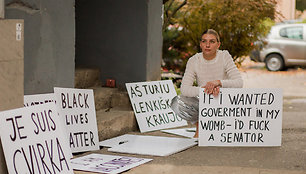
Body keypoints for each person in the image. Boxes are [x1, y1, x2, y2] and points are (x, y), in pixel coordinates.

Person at [171, 29, 243, 138]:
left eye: (212, 41)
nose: (207, 45)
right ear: (200, 44)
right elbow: (184, 89)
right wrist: (206, 89)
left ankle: (220, 127)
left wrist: (218, 83)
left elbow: (239, 83)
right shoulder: (194, 60)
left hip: (224, 102)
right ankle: (199, 126)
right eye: (204, 41)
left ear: (218, 45)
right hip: (205, 100)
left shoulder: (224, 56)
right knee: (176, 102)